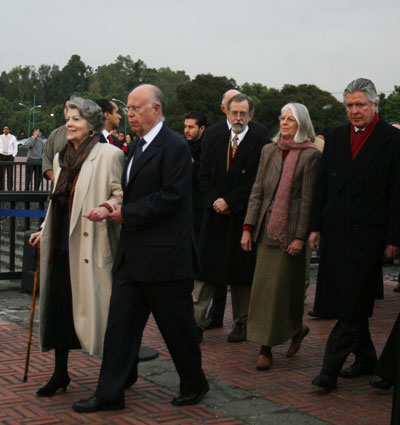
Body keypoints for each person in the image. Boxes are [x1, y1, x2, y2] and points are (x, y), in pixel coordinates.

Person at [73, 84, 208, 413]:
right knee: (119, 329)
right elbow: (130, 193)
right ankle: (110, 393)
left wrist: (127, 214)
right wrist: (110, 206)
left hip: (166, 260)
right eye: (128, 109)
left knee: (178, 330)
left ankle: (194, 382)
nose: (129, 114)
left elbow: (173, 197)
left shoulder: (174, 146)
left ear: (156, 109)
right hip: (133, 258)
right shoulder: (135, 147)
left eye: (135, 108)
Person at [29, 96, 125, 397]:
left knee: (101, 315)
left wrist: (107, 208)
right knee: (59, 312)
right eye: (68, 118)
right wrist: (43, 230)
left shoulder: (109, 154)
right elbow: (56, 201)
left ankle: (116, 376)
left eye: (77, 119)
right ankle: (60, 374)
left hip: (90, 247)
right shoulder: (61, 158)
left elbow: (120, 195)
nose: (69, 123)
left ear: (92, 125)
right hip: (60, 245)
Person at [309, 78, 400, 390]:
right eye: (349, 105)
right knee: (349, 299)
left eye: (360, 105)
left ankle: (328, 371)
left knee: (352, 303)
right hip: (336, 231)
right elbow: (321, 186)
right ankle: (365, 359)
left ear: (375, 105)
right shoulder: (335, 137)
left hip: (369, 235)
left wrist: (394, 238)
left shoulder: (392, 139)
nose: (354, 111)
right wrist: (315, 227)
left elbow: (397, 193)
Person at [241, 103, 321, 370]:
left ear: (302, 124)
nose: (284, 123)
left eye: (291, 119)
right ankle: (266, 347)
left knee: (286, 290)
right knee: (265, 290)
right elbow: (257, 191)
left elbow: (308, 200)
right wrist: (248, 228)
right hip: (267, 230)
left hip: (291, 233)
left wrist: (300, 237)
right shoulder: (269, 150)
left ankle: (294, 329)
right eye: (282, 118)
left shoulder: (311, 155)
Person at [198, 93, 269, 343]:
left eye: (243, 113)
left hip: (242, 216)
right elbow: (203, 173)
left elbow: (258, 181)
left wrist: (231, 201)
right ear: (226, 112)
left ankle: (242, 323)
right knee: (205, 271)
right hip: (214, 215)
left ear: (250, 115)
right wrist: (215, 200)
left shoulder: (260, 140)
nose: (238, 118)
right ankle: (195, 323)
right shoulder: (213, 136)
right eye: (234, 113)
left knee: (242, 274)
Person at [184, 111, 207, 340]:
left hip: (202, 211)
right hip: (186, 211)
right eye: (186, 126)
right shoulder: (182, 147)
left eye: (191, 127)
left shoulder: (205, 149)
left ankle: (200, 319)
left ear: (202, 128)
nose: (187, 131)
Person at [42, 97, 71, 183]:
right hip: (58, 189)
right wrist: (55, 179)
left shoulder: (88, 134)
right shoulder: (55, 134)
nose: (69, 111)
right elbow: (46, 158)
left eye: (73, 107)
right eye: (67, 108)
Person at [0, 125, 18, 190]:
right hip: (1, 155)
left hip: (10, 156)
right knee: (1, 174)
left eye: (7, 129)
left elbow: (15, 146)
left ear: (9, 130)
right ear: (3, 130)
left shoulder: (12, 137)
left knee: (10, 173)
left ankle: (10, 188)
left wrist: (13, 155)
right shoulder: (0, 137)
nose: (6, 130)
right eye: (4, 129)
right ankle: (1, 189)